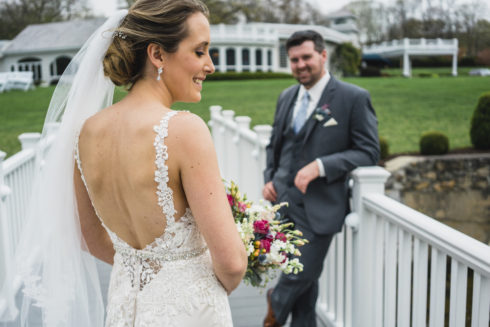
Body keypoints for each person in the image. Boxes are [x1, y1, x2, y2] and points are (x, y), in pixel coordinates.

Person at [0, 1, 247, 326]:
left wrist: (140, 266)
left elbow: (88, 237)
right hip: (191, 309)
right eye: (200, 52)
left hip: (124, 301)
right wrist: (198, 286)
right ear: (157, 55)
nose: (210, 66)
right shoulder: (185, 130)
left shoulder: (85, 133)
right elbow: (231, 263)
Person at [262, 30, 379, 327]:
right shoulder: (286, 96)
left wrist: (322, 165)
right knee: (306, 286)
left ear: (323, 55)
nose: (300, 65)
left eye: (306, 57)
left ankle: (273, 308)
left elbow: (369, 151)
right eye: (294, 60)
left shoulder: (353, 97)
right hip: (284, 204)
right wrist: (270, 178)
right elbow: (274, 145)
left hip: (320, 208)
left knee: (297, 274)